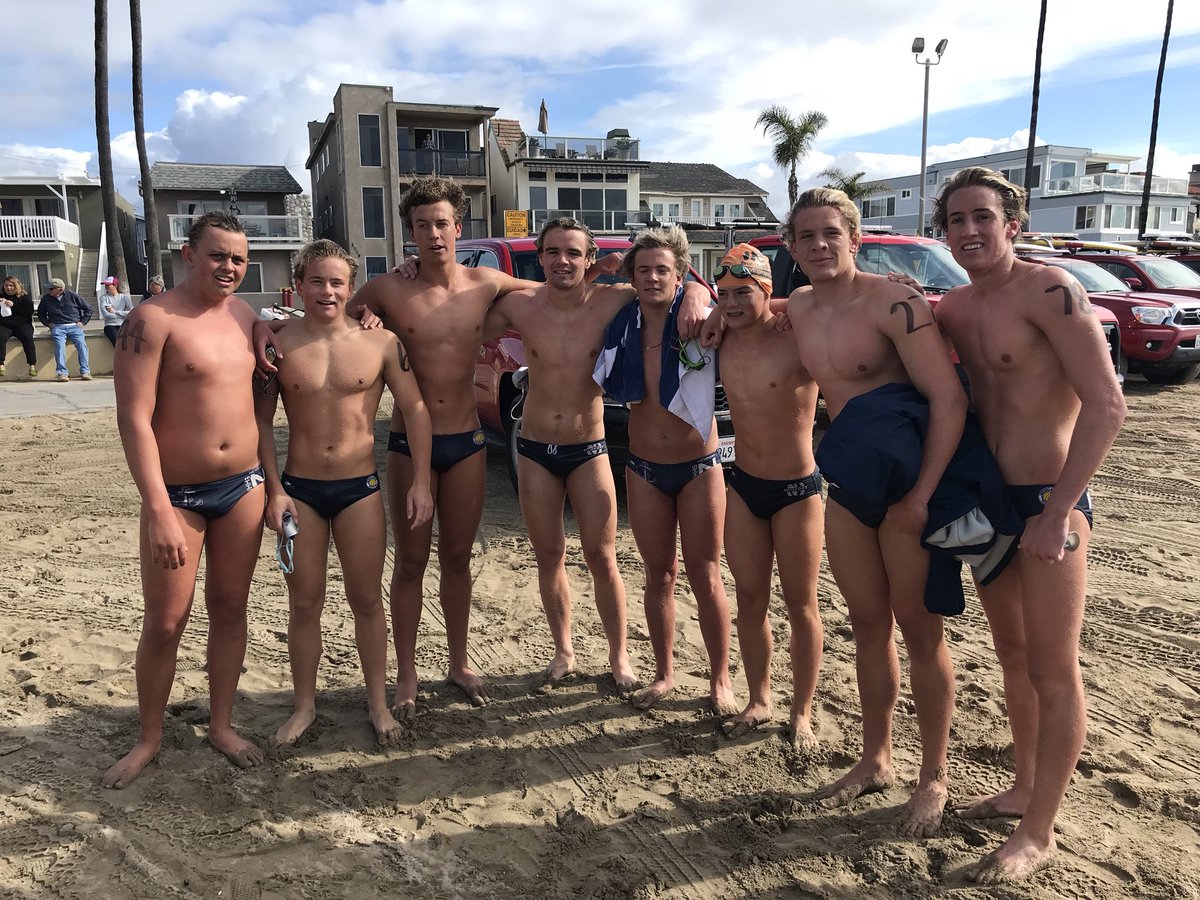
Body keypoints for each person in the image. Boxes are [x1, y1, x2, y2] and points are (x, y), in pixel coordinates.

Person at [258, 175, 538, 718]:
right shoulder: (388, 287)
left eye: (441, 224)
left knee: (457, 560)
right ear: (409, 232)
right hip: (411, 447)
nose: (432, 235)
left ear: (459, 227)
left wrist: (692, 288)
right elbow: (335, 318)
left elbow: (557, 290)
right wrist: (260, 326)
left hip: (469, 441)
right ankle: (405, 676)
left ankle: (458, 663)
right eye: (420, 226)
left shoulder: (486, 283)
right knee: (409, 563)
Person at [933, 167, 1126, 882]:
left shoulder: (1051, 290)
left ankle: (1040, 830)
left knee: (1053, 668)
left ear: (1012, 223)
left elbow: (1107, 406)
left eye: (982, 216)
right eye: (956, 220)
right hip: (992, 502)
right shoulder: (952, 307)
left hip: (1051, 499)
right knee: (1012, 654)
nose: (969, 231)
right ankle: (1022, 785)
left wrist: (1060, 510)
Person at [784, 188, 967, 838]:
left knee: (920, 632)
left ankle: (933, 776)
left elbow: (948, 399)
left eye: (831, 232)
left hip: (905, 487)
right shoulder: (799, 307)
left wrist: (923, 496)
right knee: (866, 625)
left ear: (854, 237)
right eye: (806, 235)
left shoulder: (895, 302)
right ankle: (876, 758)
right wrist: (710, 309)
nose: (819, 244)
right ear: (793, 246)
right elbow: (745, 307)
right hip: (847, 488)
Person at [482, 218, 710, 695]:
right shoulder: (519, 305)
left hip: (589, 448)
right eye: (552, 252)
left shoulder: (614, 299)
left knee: (603, 557)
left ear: (589, 260)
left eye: (573, 253)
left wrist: (693, 293)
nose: (562, 261)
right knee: (549, 556)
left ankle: (619, 655)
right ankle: (563, 651)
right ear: (540, 256)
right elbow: (458, 321)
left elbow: (670, 280)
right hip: (535, 448)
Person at [103, 211, 265, 789]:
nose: (230, 267)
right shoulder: (153, 319)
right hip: (178, 495)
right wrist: (158, 509)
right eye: (219, 255)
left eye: (239, 259)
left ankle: (221, 724)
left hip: (244, 485)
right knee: (167, 621)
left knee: (229, 609)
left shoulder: (245, 314)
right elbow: (134, 420)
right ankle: (149, 737)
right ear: (188, 254)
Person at [255, 240, 434, 747]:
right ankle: (304, 706)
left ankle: (378, 704)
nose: (326, 290)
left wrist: (420, 480)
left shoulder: (380, 342)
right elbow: (262, 424)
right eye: (316, 280)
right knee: (304, 602)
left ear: (351, 288)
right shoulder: (278, 343)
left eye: (336, 282)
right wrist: (273, 491)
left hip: (360, 489)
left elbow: (416, 409)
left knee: (366, 600)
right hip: (299, 492)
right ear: (300, 284)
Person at [594, 225, 736, 715]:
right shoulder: (620, 318)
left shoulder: (700, 317)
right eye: (644, 270)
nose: (653, 278)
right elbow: (567, 284)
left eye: (664, 270)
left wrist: (701, 290)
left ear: (679, 275)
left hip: (699, 465)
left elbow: (759, 304)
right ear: (632, 276)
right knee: (659, 576)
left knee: (707, 574)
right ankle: (664, 673)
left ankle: (720, 680)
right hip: (644, 468)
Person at [709, 244, 823, 749]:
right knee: (750, 601)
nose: (732, 303)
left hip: (798, 490)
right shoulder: (720, 338)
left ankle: (802, 710)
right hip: (744, 487)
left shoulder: (798, 333)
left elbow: (829, 301)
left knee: (802, 606)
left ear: (767, 291)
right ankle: (759, 698)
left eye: (743, 293)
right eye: (724, 294)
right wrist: (713, 308)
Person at [37, 278, 91, 382]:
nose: (49, 290)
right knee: (59, 346)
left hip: (74, 326)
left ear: (60, 289)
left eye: (51, 288)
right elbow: (41, 313)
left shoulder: (72, 296)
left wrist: (83, 322)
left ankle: (85, 371)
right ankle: (62, 373)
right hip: (57, 327)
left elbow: (88, 308)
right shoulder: (46, 299)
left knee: (82, 345)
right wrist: (48, 324)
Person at [0, 275, 38, 379]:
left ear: (16, 286)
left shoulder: (24, 297)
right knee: (0, 337)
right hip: (5, 324)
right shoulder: (1, 296)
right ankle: (1, 364)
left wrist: (14, 305)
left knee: (28, 338)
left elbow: (28, 312)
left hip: (22, 324)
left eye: (11, 285)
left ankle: (32, 365)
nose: (9, 288)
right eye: (6, 285)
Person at [100, 276, 134, 345]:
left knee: (130, 343)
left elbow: (132, 312)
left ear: (115, 285)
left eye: (108, 285)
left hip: (124, 325)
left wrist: (115, 311)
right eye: (105, 285)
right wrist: (123, 315)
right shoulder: (103, 298)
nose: (106, 287)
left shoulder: (124, 298)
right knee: (118, 343)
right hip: (110, 325)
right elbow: (106, 315)